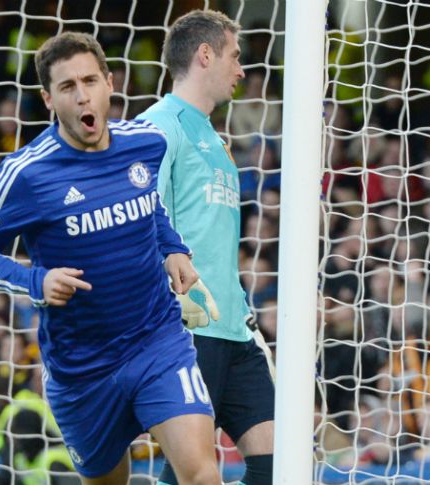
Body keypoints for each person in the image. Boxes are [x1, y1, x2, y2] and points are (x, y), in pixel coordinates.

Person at [0, 31, 222, 484]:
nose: (82, 96)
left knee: (202, 475)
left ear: (109, 83)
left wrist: (172, 248)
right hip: (82, 370)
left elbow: (148, 205)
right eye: (67, 86)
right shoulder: (27, 173)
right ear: (48, 99)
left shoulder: (147, 143)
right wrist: (36, 281)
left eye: (90, 81)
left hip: (157, 342)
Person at [137, 10, 275, 485]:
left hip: (234, 328)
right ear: (204, 55)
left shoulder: (213, 137)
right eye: (234, 56)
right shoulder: (158, 127)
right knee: (192, 472)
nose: (241, 68)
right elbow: (136, 220)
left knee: (280, 463)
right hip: (188, 328)